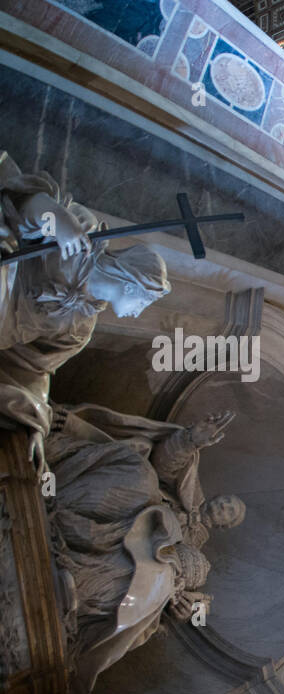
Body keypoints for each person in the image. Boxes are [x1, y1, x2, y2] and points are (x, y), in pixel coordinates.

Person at [44, 405, 244, 694]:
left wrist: (190, 612)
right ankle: (56, 503)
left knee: (143, 582)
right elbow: (165, 465)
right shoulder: (189, 491)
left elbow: (197, 609)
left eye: (229, 511)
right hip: (125, 505)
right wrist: (191, 439)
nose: (223, 506)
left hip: (129, 555)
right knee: (142, 472)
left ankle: (72, 581)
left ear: (225, 527)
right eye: (226, 500)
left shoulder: (194, 557)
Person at [0, 151, 170, 468]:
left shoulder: (79, 329)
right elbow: (22, 203)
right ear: (132, 284)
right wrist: (55, 217)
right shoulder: (84, 233)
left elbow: (34, 369)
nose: (138, 312)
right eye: (143, 302)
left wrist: (33, 421)